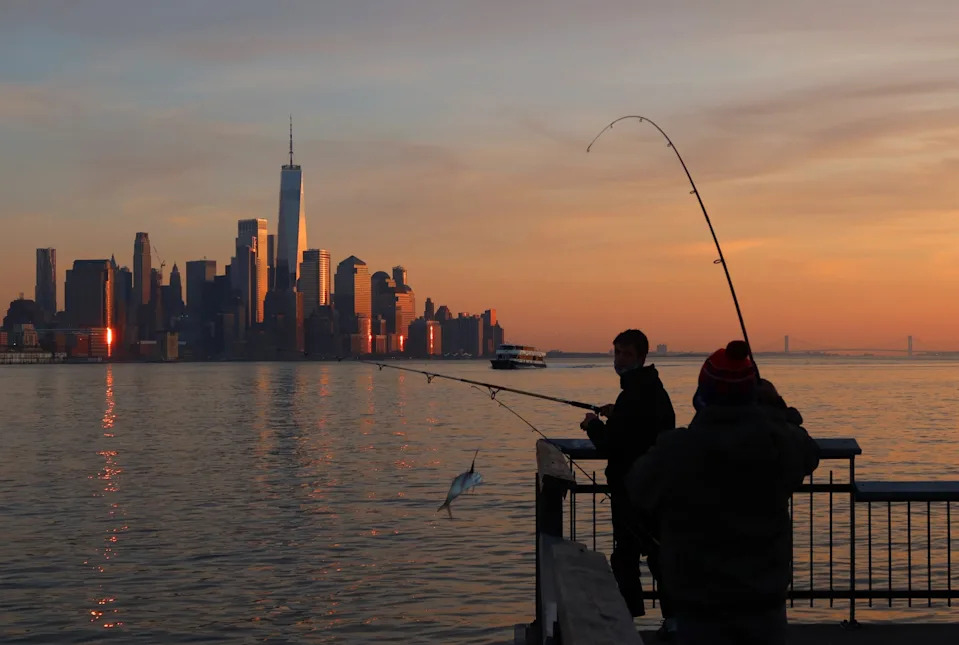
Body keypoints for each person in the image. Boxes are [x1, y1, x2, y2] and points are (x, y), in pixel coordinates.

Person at [626, 340, 820, 645]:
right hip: (764, 605)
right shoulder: (776, 444)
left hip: (699, 606)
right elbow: (808, 452)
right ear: (751, 396)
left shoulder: (677, 450)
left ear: (702, 395)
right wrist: (775, 407)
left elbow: (638, 486)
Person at [579, 329, 675, 619]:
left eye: (627, 354)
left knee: (627, 557)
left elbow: (613, 445)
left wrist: (593, 424)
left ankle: (627, 619)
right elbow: (640, 428)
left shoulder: (635, 395)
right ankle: (673, 620)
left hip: (631, 490)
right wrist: (616, 412)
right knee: (658, 556)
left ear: (642, 357)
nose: (620, 359)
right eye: (617, 352)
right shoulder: (650, 389)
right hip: (656, 487)